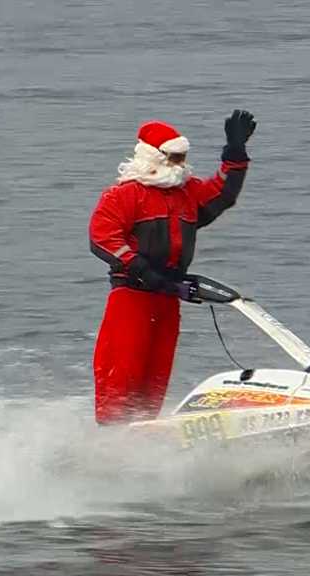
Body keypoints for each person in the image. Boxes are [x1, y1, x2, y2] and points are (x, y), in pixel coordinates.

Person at [89, 110, 256, 425]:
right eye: (175, 158)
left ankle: (146, 438)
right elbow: (102, 237)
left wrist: (235, 153)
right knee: (122, 379)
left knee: (154, 383)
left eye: (184, 158)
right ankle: (109, 442)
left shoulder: (187, 193)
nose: (181, 165)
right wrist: (146, 271)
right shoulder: (124, 196)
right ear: (154, 157)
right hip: (132, 298)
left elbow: (222, 196)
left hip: (167, 300)